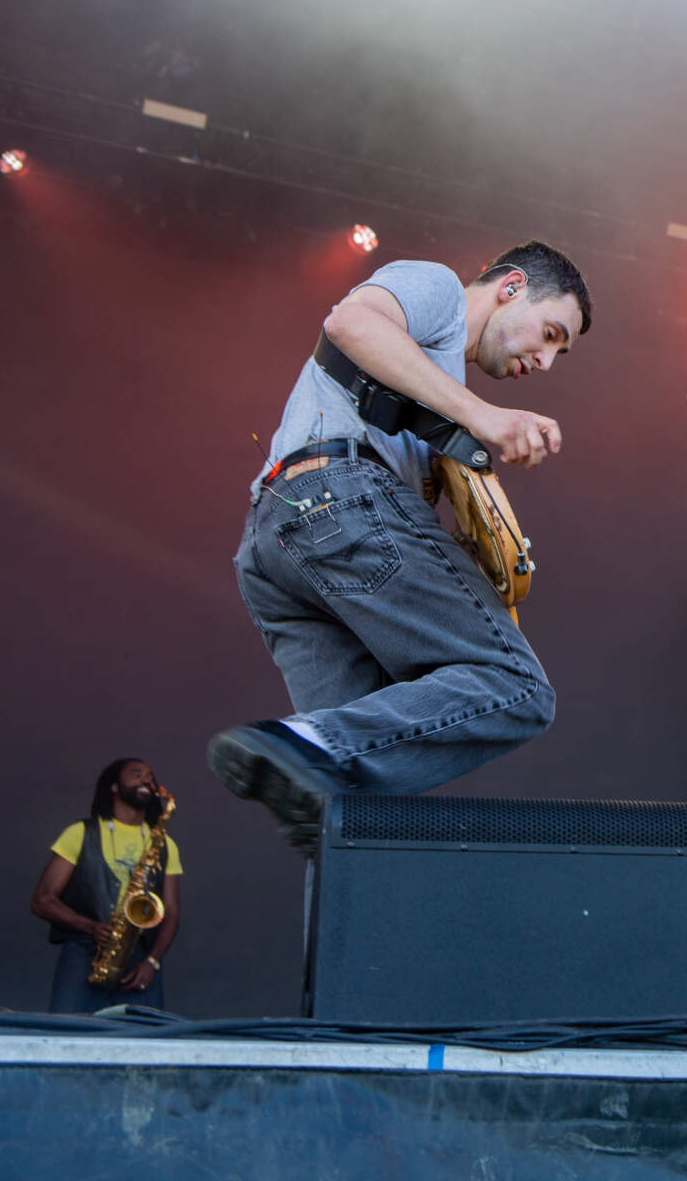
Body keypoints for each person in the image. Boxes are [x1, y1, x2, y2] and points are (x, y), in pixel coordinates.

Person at [212, 241, 593, 852]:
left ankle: (308, 752)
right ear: (511, 286)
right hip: (334, 504)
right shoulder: (438, 289)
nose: (546, 360)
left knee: (345, 799)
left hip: (276, 543)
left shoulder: (431, 384)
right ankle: (302, 742)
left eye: (558, 352)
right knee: (514, 684)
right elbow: (350, 323)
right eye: (550, 334)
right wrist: (484, 416)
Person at [32, 759, 182, 1013]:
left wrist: (153, 962)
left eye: (150, 776)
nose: (146, 779)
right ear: (113, 786)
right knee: (67, 1038)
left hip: (139, 960)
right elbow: (43, 900)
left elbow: (171, 911)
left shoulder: (165, 844)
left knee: (144, 1046)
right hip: (85, 953)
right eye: (136, 774)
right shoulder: (80, 833)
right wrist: (91, 926)